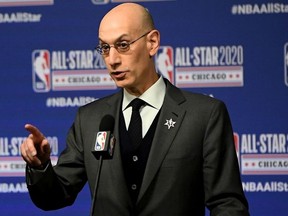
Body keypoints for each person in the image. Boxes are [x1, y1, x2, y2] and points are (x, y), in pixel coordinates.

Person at [21, 3, 250, 216]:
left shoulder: (204, 115)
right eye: (104, 48)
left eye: (123, 45)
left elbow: (228, 204)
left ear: (152, 42)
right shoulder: (90, 119)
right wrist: (40, 165)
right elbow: (55, 196)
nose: (112, 60)